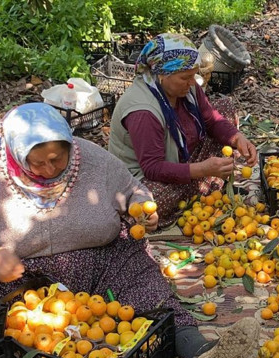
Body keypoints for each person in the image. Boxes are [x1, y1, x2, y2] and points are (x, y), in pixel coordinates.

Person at [0, 103, 259, 358]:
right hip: (26, 279)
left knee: (147, 284)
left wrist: (142, 209)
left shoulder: (93, 159)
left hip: (102, 261)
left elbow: (133, 189)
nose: (50, 169)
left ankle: (197, 348)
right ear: (17, 154)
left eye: (57, 158)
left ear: (69, 145)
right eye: (37, 162)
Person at [108, 33, 258, 227]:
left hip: (181, 156)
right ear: (162, 74)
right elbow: (153, 168)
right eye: (185, 77)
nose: (192, 82)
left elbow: (211, 120)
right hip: (143, 179)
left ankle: (202, 187)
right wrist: (202, 169)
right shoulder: (143, 112)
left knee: (224, 108)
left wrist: (237, 138)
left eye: (193, 75)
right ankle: (199, 189)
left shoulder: (188, 87)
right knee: (151, 203)